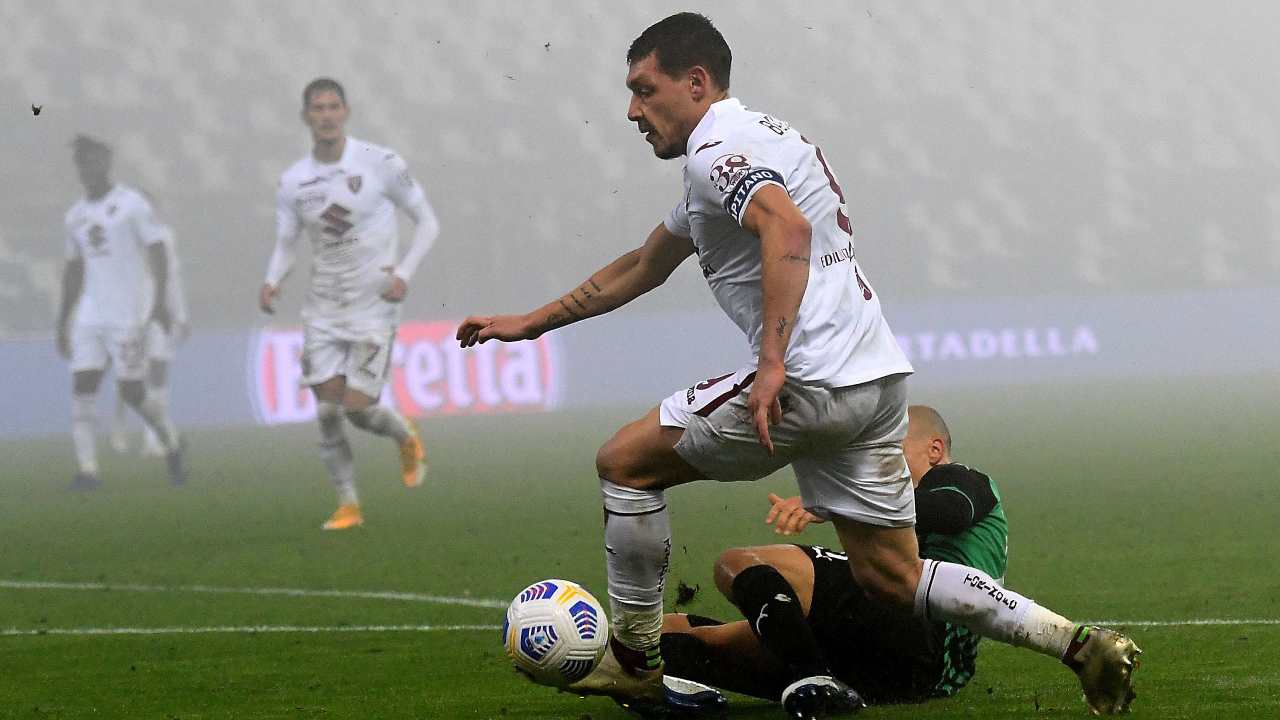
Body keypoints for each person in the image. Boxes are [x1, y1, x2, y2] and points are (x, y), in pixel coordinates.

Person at [457, 13, 1138, 717]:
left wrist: (774, 359)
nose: (631, 110)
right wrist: (530, 323)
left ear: (696, 83)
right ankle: (1079, 645)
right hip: (874, 385)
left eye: (643, 88)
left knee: (624, 463)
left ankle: (635, 666)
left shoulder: (716, 148)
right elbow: (642, 265)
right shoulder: (758, 142)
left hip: (809, 376)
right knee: (894, 577)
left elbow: (787, 226)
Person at [659, 405, 1077, 712]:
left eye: (892, 446)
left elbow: (950, 512)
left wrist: (837, 505)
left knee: (738, 562)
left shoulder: (962, 479)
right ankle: (608, 654)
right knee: (686, 640)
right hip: (896, 672)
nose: (878, 458)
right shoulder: (889, 508)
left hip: (921, 633)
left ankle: (811, 673)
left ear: (935, 449)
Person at [260, 78, 439, 530]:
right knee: (325, 410)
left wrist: (404, 274)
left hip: (373, 306)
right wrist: (271, 281)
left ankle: (403, 433)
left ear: (345, 111)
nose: (325, 115)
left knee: (358, 409)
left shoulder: (380, 163)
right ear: (306, 116)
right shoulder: (294, 181)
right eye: (317, 108)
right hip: (322, 307)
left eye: (332, 106)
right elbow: (286, 242)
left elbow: (427, 223)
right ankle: (348, 504)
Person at [56, 135, 186, 489]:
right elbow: (73, 268)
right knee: (82, 387)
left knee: (132, 392)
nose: (87, 167)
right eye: (81, 162)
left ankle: (170, 442)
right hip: (89, 316)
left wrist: (159, 302)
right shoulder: (75, 216)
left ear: (107, 162)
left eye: (93, 159)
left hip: (126, 316)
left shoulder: (131, 205)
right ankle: (87, 470)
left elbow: (157, 249)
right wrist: (63, 319)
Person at [110, 205, 188, 458]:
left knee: (157, 371)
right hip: (129, 314)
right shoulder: (120, 236)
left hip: (157, 313)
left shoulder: (164, 236)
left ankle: (153, 439)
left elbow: (172, 275)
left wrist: (180, 313)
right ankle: (120, 429)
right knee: (129, 378)